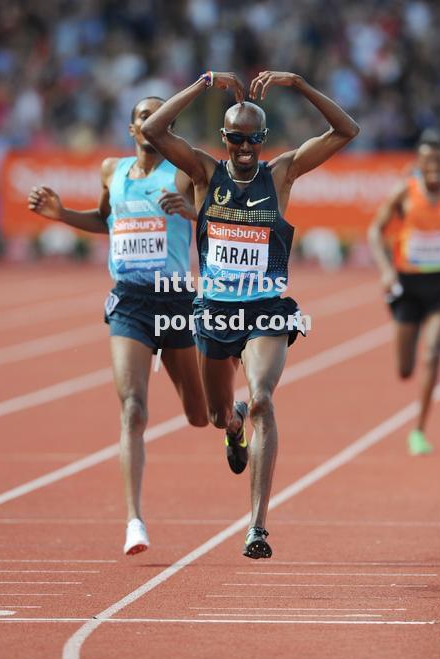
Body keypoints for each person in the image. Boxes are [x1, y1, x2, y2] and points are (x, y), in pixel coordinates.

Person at [141, 70, 359, 558]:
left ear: (263, 140)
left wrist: (300, 85)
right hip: (216, 312)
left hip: (265, 310)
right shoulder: (202, 172)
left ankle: (256, 526)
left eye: (252, 139)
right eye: (235, 138)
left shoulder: (280, 174)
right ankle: (234, 426)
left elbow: (347, 132)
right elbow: (155, 131)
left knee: (263, 398)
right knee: (219, 414)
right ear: (224, 138)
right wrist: (202, 85)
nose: (243, 148)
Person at [28, 97, 208, 555]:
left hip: (173, 297)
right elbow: (105, 220)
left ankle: (236, 420)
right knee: (132, 409)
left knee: (200, 415)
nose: (151, 123)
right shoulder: (113, 170)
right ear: (131, 129)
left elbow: (214, 223)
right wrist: (62, 215)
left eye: (158, 116)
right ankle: (134, 521)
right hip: (128, 300)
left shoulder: (184, 173)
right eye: (143, 116)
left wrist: (190, 212)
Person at [368, 139, 440, 456]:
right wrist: (386, 270)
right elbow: (375, 231)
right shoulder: (404, 193)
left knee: (432, 354)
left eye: (438, 162)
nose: (432, 168)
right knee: (405, 369)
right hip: (407, 286)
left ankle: (418, 430)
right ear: (418, 164)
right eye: (426, 162)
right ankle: (410, 337)